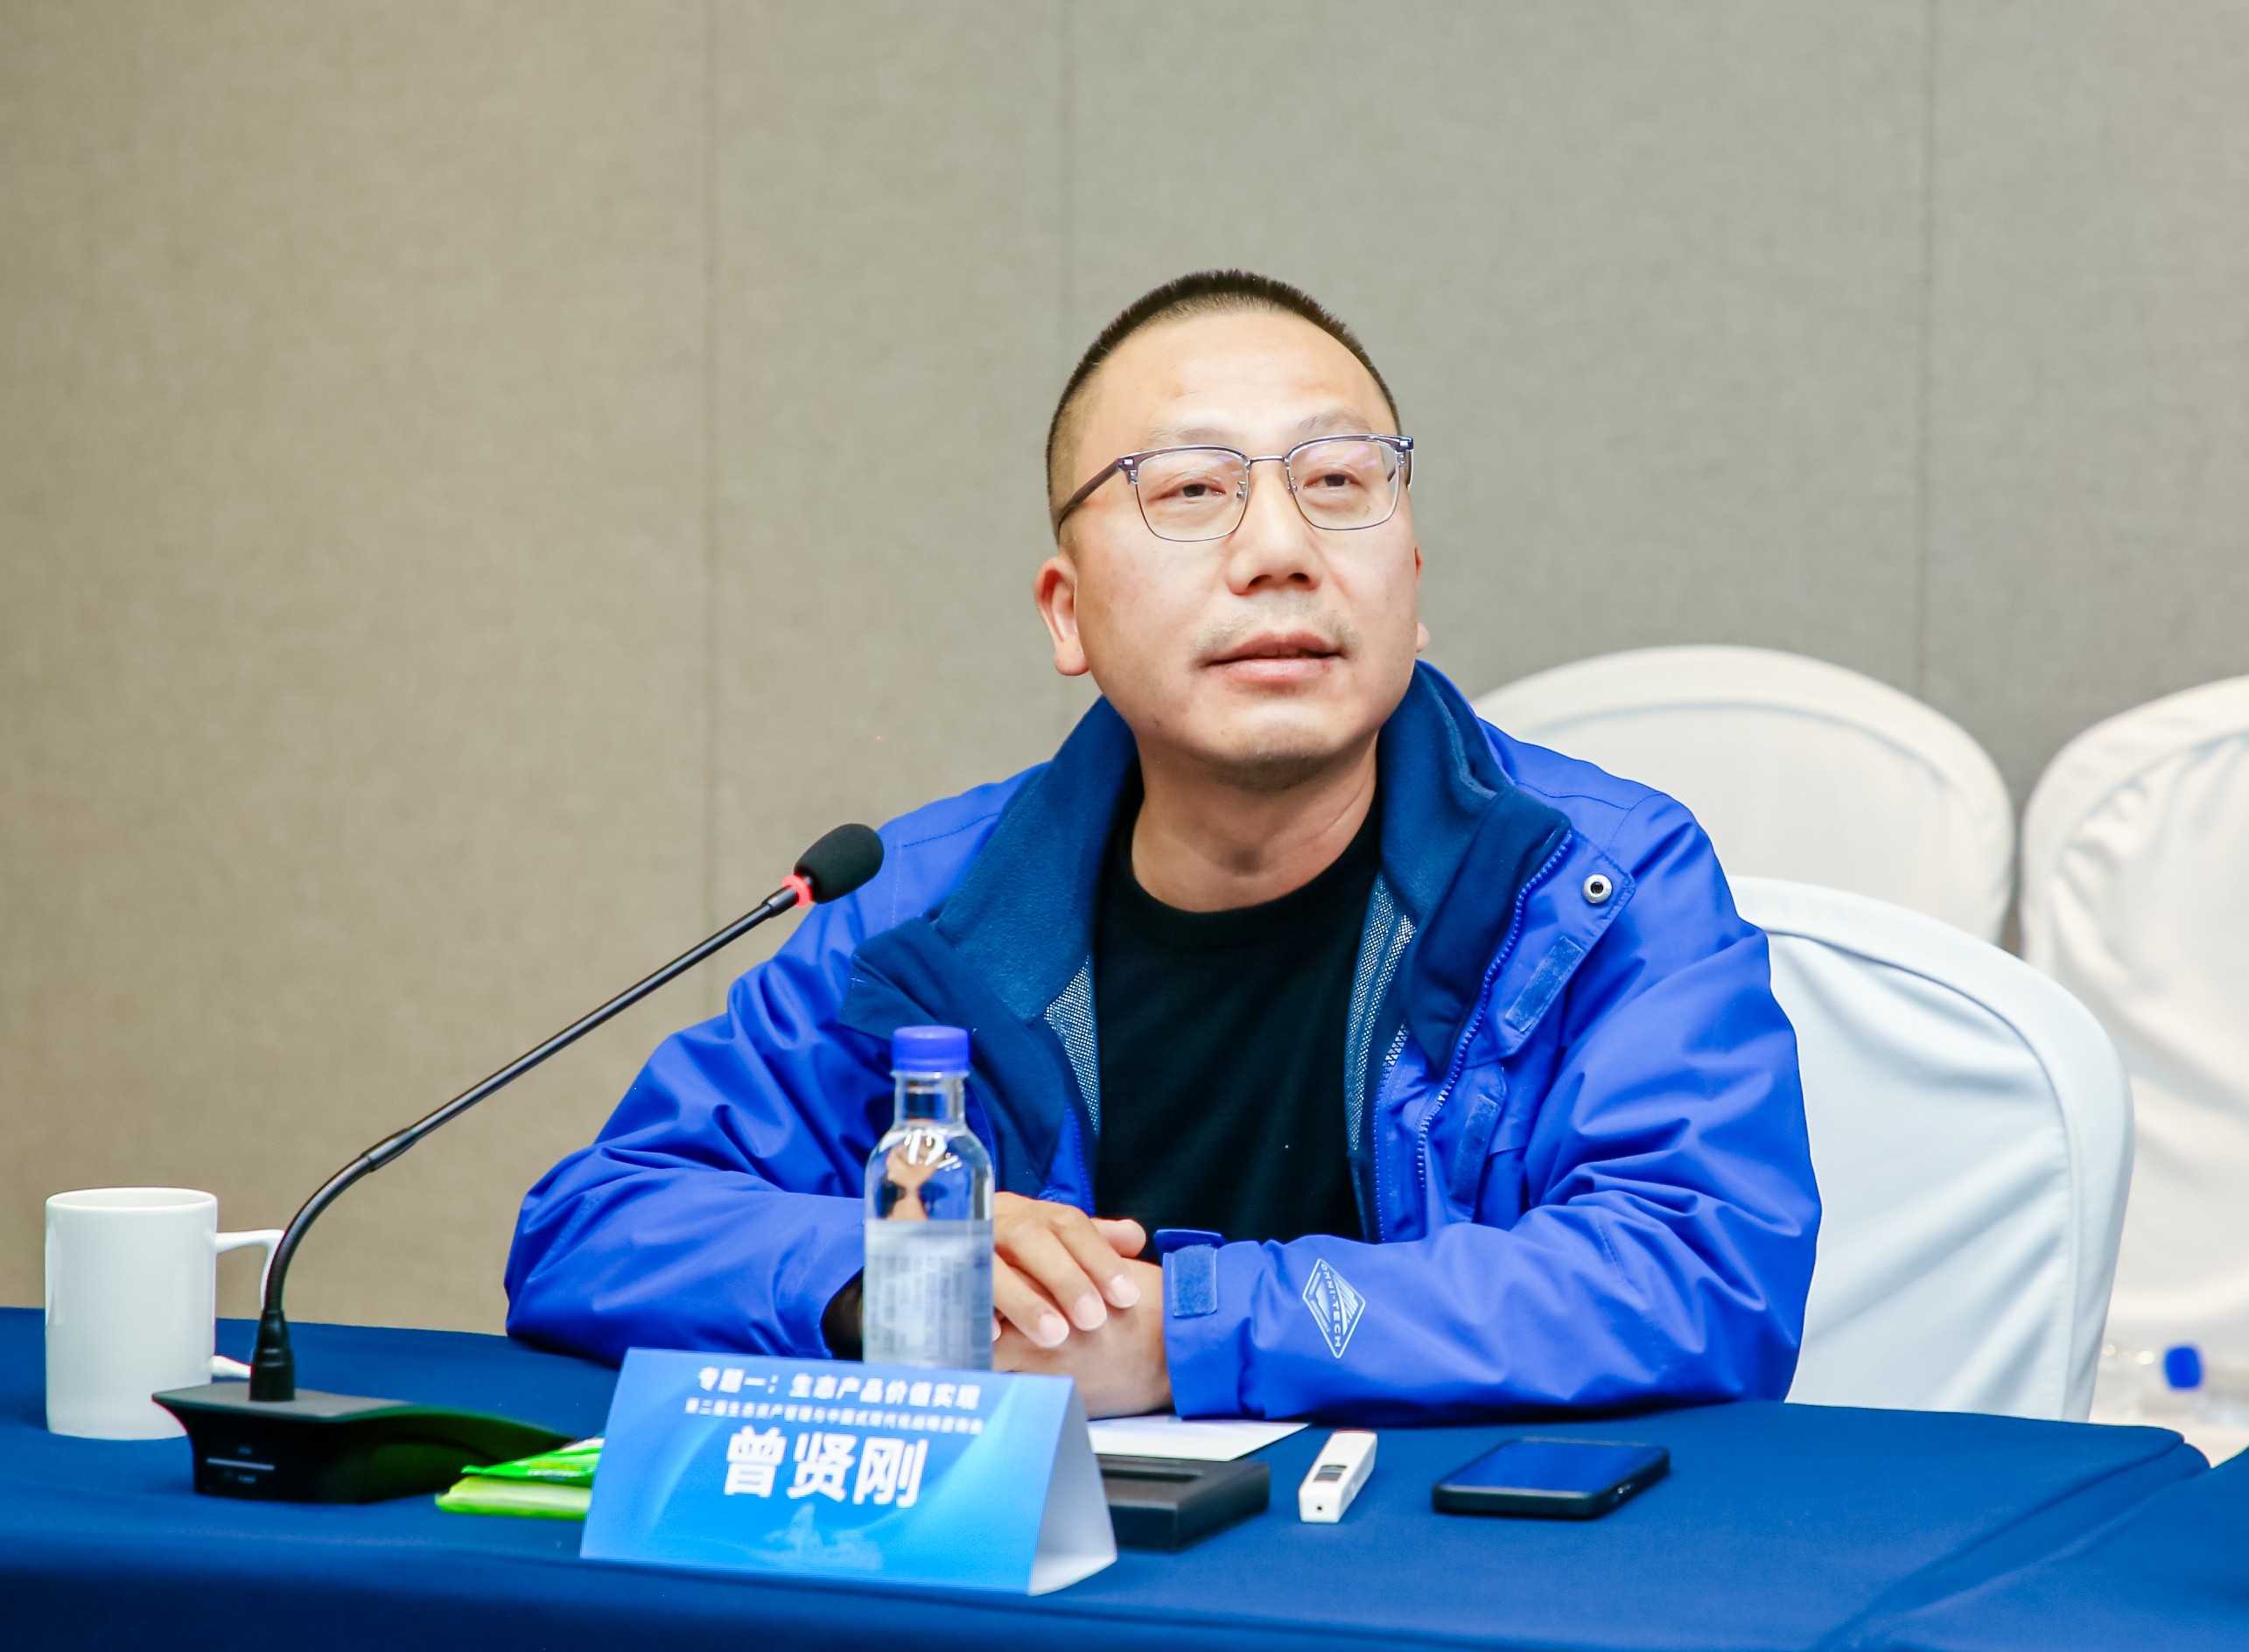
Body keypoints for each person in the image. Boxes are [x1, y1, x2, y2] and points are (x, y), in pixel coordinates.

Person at [505, 270, 1819, 1423]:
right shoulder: (917, 919)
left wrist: (1182, 1334)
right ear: (1067, 616)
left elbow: (1700, 1272)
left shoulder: (1596, 883)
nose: (1281, 550)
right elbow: (595, 1227)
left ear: (1412, 582)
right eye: (1191, 489)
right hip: (1023, 1578)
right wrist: (887, 1274)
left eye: (1338, 482)